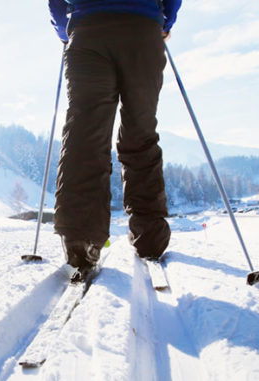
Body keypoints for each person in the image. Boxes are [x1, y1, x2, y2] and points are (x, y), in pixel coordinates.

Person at [48, 0, 182, 280]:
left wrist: (65, 30)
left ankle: (81, 242)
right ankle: (150, 238)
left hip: (88, 30)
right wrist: (165, 22)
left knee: (84, 136)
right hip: (142, 28)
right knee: (141, 131)